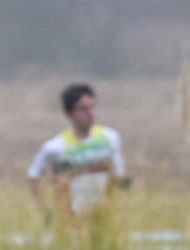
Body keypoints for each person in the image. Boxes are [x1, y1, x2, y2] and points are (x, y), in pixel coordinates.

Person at [28, 83, 129, 220]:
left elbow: (118, 174)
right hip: (71, 217)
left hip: (103, 214)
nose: (90, 113)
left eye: (92, 107)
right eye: (82, 109)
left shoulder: (110, 138)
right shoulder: (55, 146)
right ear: (69, 113)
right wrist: (45, 211)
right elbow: (34, 175)